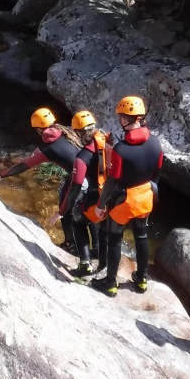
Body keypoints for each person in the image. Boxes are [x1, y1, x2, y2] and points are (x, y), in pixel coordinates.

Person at [86, 95, 163, 297]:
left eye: (120, 116)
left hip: (124, 201)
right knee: (141, 236)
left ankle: (111, 283)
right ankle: (142, 279)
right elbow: (157, 172)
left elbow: (112, 181)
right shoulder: (155, 143)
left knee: (115, 239)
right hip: (145, 195)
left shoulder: (121, 150)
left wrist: (101, 205)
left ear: (124, 119)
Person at [0, 109, 92, 273]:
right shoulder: (65, 130)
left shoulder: (45, 148)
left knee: (66, 209)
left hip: (80, 180)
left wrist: (2, 174)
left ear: (38, 129)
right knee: (87, 212)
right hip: (91, 175)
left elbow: (24, 165)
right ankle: (96, 248)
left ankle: (71, 246)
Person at [71, 109, 109, 278]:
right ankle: (101, 258)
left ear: (79, 133)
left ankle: (85, 265)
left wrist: (61, 211)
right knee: (104, 227)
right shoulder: (108, 140)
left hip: (99, 196)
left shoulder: (82, 156)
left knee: (77, 222)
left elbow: (76, 186)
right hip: (116, 195)